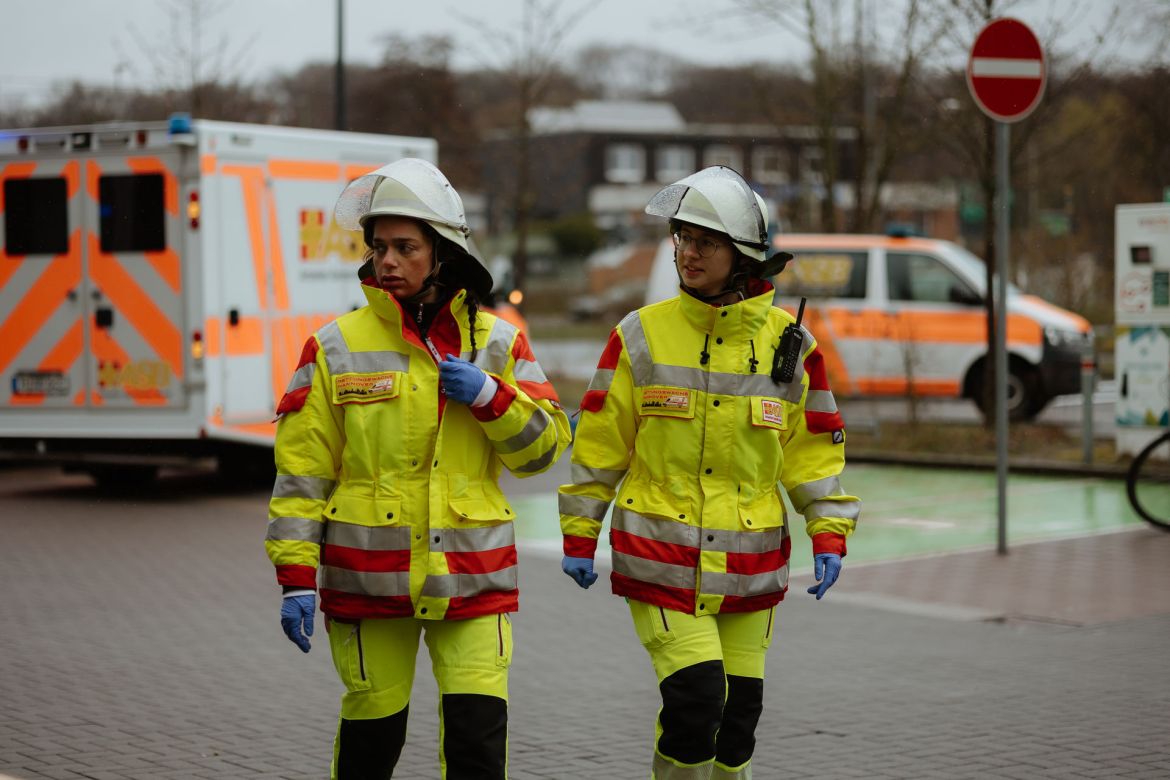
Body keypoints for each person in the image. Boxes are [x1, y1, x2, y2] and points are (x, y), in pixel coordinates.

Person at [265, 158, 572, 779]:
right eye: (379, 247)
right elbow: (302, 474)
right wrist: (296, 574)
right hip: (368, 580)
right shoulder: (334, 346)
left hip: (472, 576)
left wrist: (491, 397)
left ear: (444, 253)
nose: (388, 261)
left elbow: (544, 451)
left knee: (477, 747)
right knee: (370, 746)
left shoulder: (500, 345)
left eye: (406, 247)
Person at [557, 166, 861, 779]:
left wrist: (828, 530)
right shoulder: (639, 337)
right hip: (661, 556)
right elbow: (600, 442)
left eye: (706, 242)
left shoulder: (792, 346)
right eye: (682, 238)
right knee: (698, 704)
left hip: (751, 567)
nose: (688, 253)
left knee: (738, 724)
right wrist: (579, 531)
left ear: (743, 254)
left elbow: (813, 450)